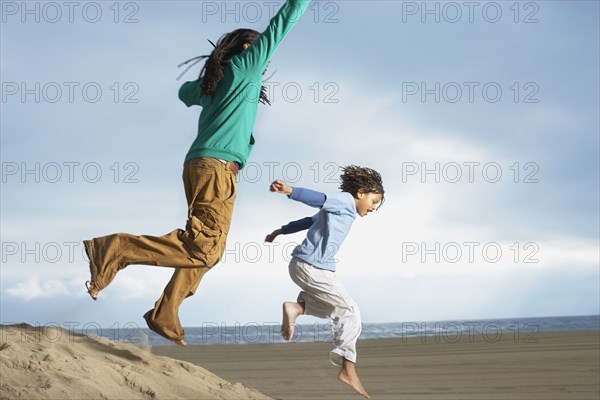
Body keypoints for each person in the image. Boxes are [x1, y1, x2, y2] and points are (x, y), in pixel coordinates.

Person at [83, 0, 312, 346]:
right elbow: (285, 20)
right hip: (215, 169)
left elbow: (183, 93)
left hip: (204, 167)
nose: (265, 60)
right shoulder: (247, 64)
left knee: (210, 250)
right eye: (258, 48)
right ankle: (116, 249)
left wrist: (208, 82)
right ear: (248, 49)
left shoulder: (218, 84)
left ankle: (165, 312)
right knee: (204, 248)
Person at [265, 165, 385, 399]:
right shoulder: (344, 202)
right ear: (361, 192)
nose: (373, 208)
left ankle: (298, 308)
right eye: (373, 200)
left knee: (335, 309)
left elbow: (309, 220)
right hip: (312, 267)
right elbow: (319, 199)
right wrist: (291, 191)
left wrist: (280, 231)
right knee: (350, 312)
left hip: (306, 267)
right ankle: (348, 370)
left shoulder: (339, 211)